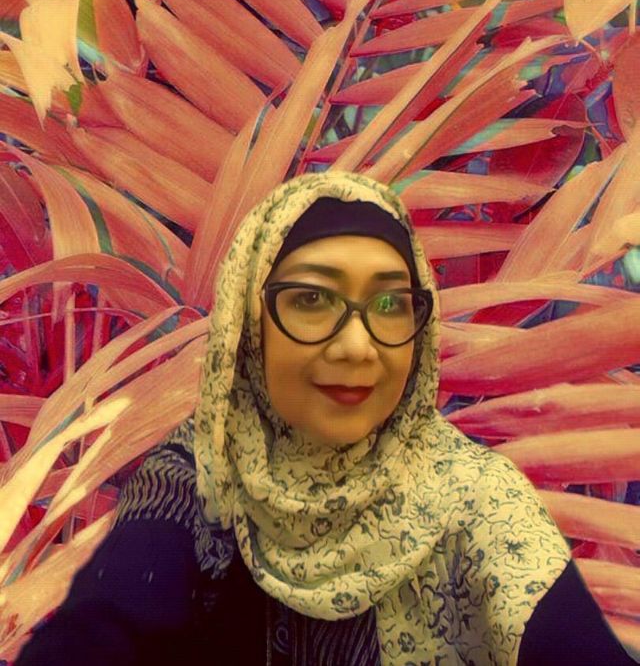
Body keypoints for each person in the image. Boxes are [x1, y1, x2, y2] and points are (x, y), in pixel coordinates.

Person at [14, 170, 637, 666]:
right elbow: (106, 624)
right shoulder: (196, 479)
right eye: (312, 299)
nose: (358, 347)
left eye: (390, 303)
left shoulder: (474, 498)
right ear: (248, 324)